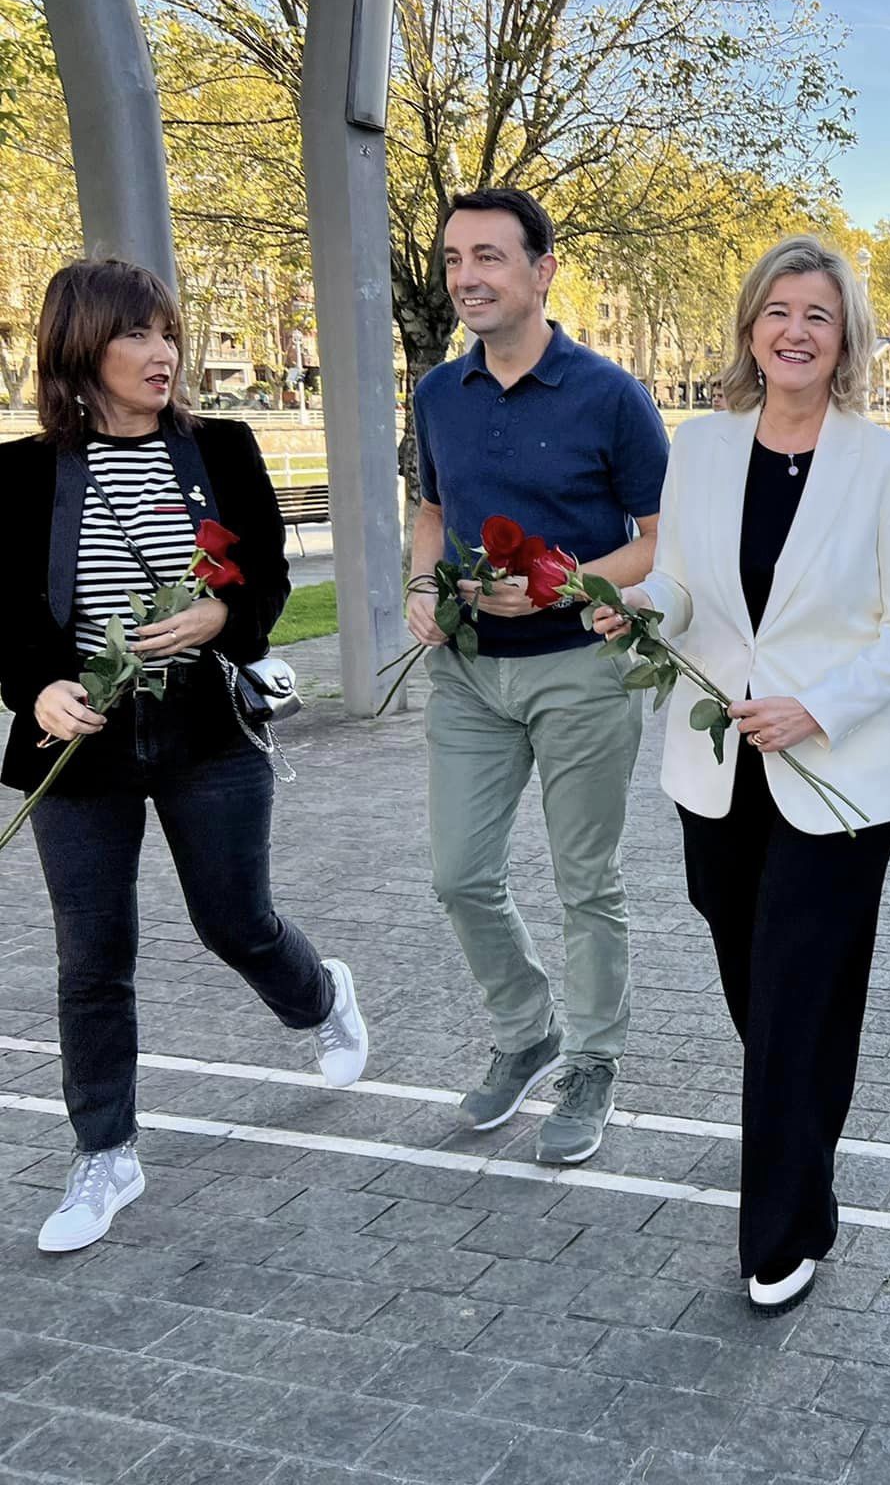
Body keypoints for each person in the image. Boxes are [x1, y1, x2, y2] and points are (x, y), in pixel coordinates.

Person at [596, 236, 890, 1311]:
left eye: (819, 316)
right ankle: (802, 1137)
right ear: (751, 326)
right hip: (717, 765)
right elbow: (687, 587)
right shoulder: (699, 448)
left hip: (842, 771)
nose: (796, 331)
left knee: (795, 995)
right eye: (779, 311)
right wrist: (634, 611)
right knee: (764, 985)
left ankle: (782, 1229)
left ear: (846, 341)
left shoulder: (888, 465)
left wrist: (818, 706)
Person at [0, 259, 368, 1253]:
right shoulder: (22, 474)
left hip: (206, 736)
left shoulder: (223, 448)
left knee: (233, 921)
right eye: (137, 336)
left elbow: (267, 582)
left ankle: (321, 997)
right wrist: (36, 688)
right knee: (92, 956)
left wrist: (221, 612)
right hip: (76, 749)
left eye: (167, 334)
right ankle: (105, 1155)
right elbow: (11, 620)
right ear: (82, 347)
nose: (162, 354)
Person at [409, 188, 667, 1166]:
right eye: (451, 261)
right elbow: (434, 514)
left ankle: (592, 1061)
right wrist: (421, 587)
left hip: (580, 673)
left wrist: (568, 584)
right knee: (458, 874)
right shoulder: (437, 394)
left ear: (541, 269)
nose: (465, 278)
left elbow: (659, 541)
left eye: (487, 257)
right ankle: (527, 1031)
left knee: (584, 882)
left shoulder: (610, 396)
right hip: (470, 677)